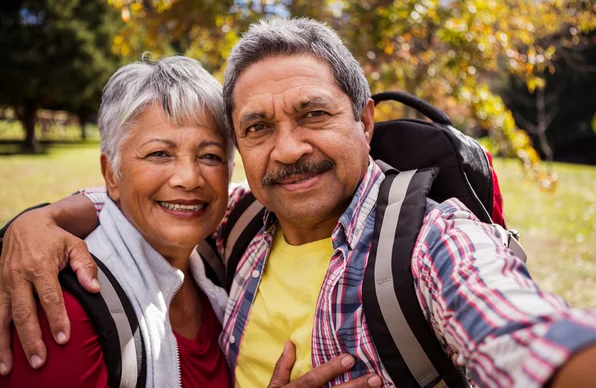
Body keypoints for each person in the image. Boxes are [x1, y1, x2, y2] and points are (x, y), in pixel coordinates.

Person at [1, 18, 596, 387]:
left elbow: (512, 324)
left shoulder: (429, 239)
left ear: (364, 121)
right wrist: (36, 220)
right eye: (258, 128)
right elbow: (151, 203)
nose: (287, 150)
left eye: (313, 114)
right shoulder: (240, 226)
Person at [0, 55, 381, 388]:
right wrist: (35, 221)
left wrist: (44, 217)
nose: (189, 178)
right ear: (111, 173)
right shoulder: (64, 305)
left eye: (211, 156)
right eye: (160, 154)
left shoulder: (225, 260)